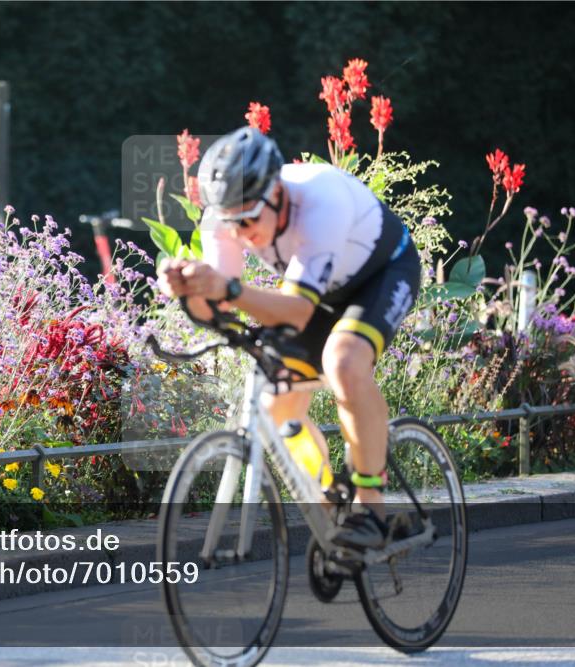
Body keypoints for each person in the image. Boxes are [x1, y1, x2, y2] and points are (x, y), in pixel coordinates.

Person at [156, 127, 421, 549]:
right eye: (231, 222)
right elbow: (221, 309)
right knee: (274, 406)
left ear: (277, 192)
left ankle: (370, 506)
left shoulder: (319, 203)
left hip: (381, 274)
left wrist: (223, 289)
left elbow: (294, 309)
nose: (241, 233)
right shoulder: (224, 219)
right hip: (316, 291)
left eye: (249, 219)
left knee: (343, 363)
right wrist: (190, 290)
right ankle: (330, 503)